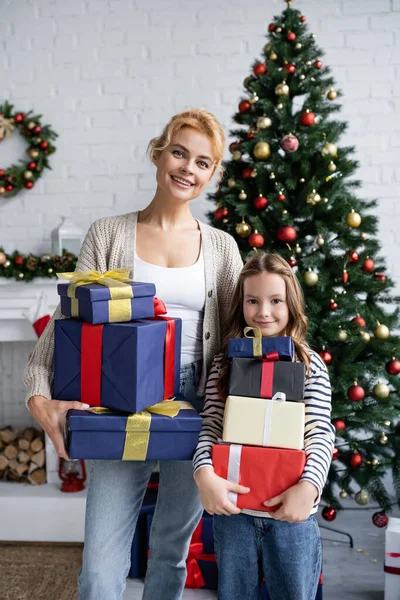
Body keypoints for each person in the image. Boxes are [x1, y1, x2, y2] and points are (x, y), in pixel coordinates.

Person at [24, 107, 243, 600]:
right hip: (120, 395)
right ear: (158, 152)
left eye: (203, 162)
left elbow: (236, 340)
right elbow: (69, 321)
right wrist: (37, 393)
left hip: (197, 398)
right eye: (180, 152)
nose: (188, 168)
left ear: (213, 174)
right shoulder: (109, 234)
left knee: (170, 551)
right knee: (101, 568)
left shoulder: (223, 249)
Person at [193, 252, 335, 600]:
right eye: (252, 300)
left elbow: (319, 431)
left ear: (292, 305)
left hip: (290, 515)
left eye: (275, 301)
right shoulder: (225, 364)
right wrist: (203, 473)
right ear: (240, 304)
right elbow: (210, 425)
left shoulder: (309, 363)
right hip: (235, 514)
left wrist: (309, 487)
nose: (263, 312)